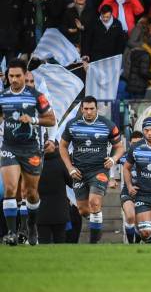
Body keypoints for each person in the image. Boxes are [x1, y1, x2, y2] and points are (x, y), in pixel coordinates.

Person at [1, 59, 56, 246]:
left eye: (17, 76)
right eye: (11, 76)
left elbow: (51, 119)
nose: (14, 79)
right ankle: (11, 233)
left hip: (31, 148)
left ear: (25, 75)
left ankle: (30, 226)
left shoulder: (36, 96)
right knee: (10, 188)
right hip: (9, 147)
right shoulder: (2, 96)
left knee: (30, 192)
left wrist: (33, 119)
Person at [59, 96, 125, 244]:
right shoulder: (72, 124)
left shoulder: (108, 125)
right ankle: (97, 223)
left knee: (94, 202)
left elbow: (120, 147)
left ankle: (93, 243)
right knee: (82, 209)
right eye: (86, 109)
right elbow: (62, 147)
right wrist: (70, 168)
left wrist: (113, 159)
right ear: (82, 109)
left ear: (97, 109)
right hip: (78, 171)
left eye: (92, 109)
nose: (88, 112)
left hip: (99, 170)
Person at [37, 140, 71, 244]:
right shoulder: (62, 162)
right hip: (59, 210)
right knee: (60, 242)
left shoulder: (34, 162)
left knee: (44, 242)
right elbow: (71, 182)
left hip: (41, 210)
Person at [117, 131, 143, 244]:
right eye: (133, 143)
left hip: (144, 193)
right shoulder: (124, 156)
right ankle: (130, 244)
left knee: (139, 223)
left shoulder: (149, 155)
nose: (136, 146)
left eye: (139, 143)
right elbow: (111, 162)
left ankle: (136, 243)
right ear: (129, 143)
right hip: (127, 191)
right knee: (130, 216)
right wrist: (112, 178)